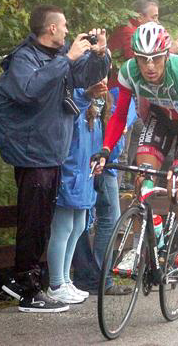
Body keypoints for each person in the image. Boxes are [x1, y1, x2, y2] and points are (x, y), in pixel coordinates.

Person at [0, 4, 110, 312]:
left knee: (41, 222)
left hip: (51, 152)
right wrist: (68, 59)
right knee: (33, 222)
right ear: (52, 28)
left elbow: (86, 77)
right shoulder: (24, 58)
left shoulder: (59, 59)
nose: (69, 30)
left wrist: (100, 55)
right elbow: (28, 91)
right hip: (32, 153)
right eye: (65, 25)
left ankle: (32, 283)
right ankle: (27, 289)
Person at [91, 22, 178, 292]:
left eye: (156, 58)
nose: (149, 66)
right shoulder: (129, 73)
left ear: (166, 56)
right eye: (142, 59)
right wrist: (105, 149)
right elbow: (120, 115)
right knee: (142, 179)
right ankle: (145, 237)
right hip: (160, 118)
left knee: (177, 191)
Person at [108, 0, 178, 188]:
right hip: (118, 93)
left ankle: (132, 182)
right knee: (126, 139)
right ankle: (123, 185)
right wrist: (171, 50)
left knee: (139, 132)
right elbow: (138, 62)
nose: (157, 21)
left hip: (135, 96)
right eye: (153, 17)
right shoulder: (128, 32)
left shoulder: (137, 32)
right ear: (139, 16)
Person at [71, 80, 137, 295]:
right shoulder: (101, 97)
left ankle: (90, 277)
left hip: (90, 164)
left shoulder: (106, 97)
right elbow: (115, 138)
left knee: (82, 220)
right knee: (104, 219)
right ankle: (100, 278)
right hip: (97, 165)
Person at [46, 80, 109, 304]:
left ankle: (65, 279)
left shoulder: (94, 112)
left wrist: (99, 161)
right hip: (69, 174)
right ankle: (55, 283)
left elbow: (95, 144)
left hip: (86, 176)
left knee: (79, 227)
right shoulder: (75, 102)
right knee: (62, 228)